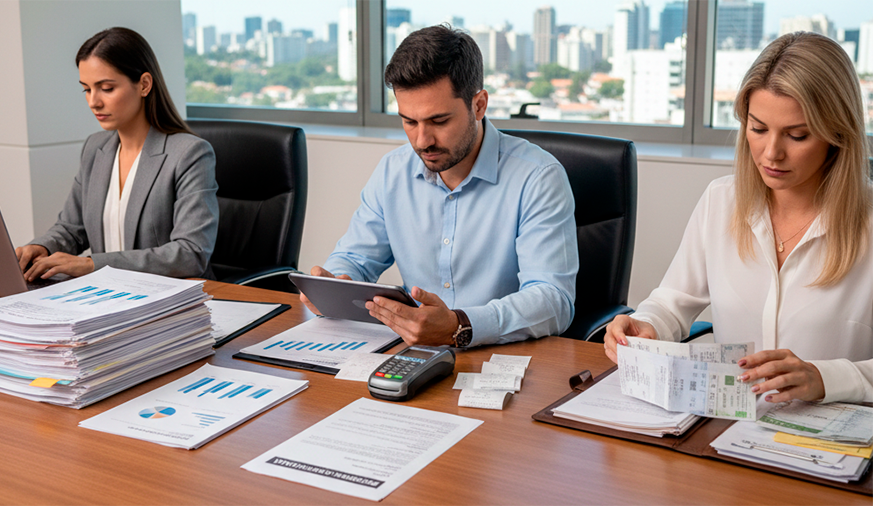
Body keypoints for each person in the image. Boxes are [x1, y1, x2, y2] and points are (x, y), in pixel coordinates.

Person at [604, 32, 873, 404]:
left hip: (835, 444)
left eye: (797, 135)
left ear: (837, 134)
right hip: (729, 430)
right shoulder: (722, 201)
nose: (771, 153)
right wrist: (645, 324)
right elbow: (670, 302)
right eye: (758, 128)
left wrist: (826, 378)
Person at [300, 25, 578, 348]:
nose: (422, 141)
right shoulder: (393, 172)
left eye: (439, 121)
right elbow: (354, 257)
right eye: (409, 121)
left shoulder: (538, 177)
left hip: (505, 362)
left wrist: (459, 325)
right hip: (415, 356)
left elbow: (553, 300)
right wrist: (335, 282)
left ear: (479, 105)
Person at [15, 27, 218, 280]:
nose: (94, 102)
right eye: (87, 89)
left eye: (107, 88)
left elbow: (190, 254)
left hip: (169, 302)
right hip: (108, 298)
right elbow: (71, 229)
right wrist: (42, 247)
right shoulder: (95, 148)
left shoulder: (189, 154)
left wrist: (92, 265)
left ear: (144, 84)